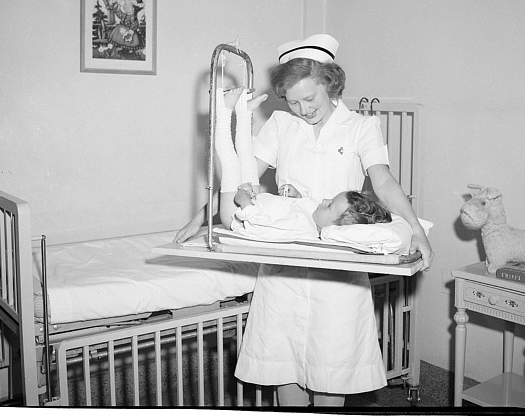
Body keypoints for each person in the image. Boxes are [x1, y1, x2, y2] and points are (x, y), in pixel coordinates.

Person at [174, 34, 434, 406]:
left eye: (309, 98)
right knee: (285, 367)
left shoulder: (362, 127)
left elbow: (384, 181)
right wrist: (203, 218)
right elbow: (243, 180)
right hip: (285, 263)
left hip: (337, 269)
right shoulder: (281, 124)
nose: (302, 109)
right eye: (293, 101)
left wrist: (414, 231)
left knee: (331, 375)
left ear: (330, 84)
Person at [215, 87, 393, 240]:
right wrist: (296, 197)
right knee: (246, 161)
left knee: (231, 163)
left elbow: (266, 227)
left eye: (330, 205)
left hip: (238, 217)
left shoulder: (302, 227)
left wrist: (245, 205)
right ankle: (244, 113)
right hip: (254, 200)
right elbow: (300, 208)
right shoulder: (315, 214)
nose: (324, 200)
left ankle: (222, 111)